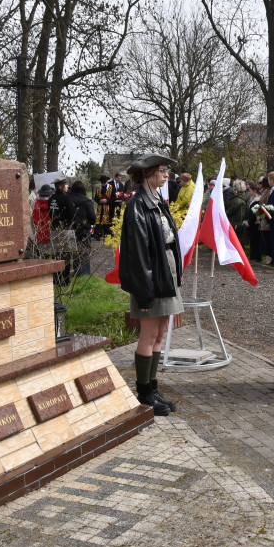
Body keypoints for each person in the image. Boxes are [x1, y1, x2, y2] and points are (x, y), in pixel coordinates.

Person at [119, 154, 183, 417]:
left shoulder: (157, 200)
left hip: (164, 273)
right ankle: (144, 392)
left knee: (159, 335)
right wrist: (144, 294)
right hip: (151, 277)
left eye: (167, 171)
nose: (167, 175)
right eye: (162, 170)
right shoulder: (137, 204)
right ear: (147, 173)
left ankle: (152, 388)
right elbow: (137, 254)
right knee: (148, 335)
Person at [69, 181, 96, 275]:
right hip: (84, 229)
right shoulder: (87, 202)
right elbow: (92, 218)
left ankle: (75, 272)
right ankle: (84, 274)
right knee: (84, 252)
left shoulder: (68, 200)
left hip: (71, 229)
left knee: (74, 252)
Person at [245, 179, 263, 263]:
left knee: (256, 240)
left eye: (250, 191)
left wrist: (249, 222)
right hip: (252, 222)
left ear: (255, 191)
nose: (249, 192)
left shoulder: (257, 200)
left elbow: (254, 213)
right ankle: (253, 256)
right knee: (253, 240)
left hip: (255, 223)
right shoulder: (254, 199)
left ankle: (256, 256)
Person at [93, 174, 115, 240]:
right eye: (102, 182)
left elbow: (114, 197)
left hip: (109, 208)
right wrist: (100, 201)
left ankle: (107, 235)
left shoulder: (111, 187)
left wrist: (107, 200)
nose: (103, 183)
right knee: (99, 221)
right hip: (100, 207)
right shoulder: (98, 188)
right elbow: (95, 197)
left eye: (104, 182)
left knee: (108, 221)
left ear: (107, 181)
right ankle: (97, 234)